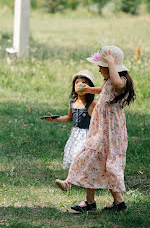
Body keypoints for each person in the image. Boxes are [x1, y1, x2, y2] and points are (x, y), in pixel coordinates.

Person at [63, 46, 135, 213]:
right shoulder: (109, 81)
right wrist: (89, 90)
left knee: (97, 160)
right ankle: (109, 202)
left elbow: (116, 84)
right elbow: (104, 90)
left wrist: (110, 62)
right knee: (97, 161)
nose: (99, 69)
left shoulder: (120, 81)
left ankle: (102, 202)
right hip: (101, 129)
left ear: (112, 68)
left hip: (110, 132)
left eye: (101, 66)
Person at [43, 70, 97, 191]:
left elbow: (98, 120)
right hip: (75, 135)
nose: (80, 85)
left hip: (87, 134)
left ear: (90, 87)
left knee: (80, 158)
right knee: (74, 157)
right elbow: (69, 118)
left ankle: (70, 182)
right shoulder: (72, 102)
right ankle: (75, 182)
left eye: (83, 83)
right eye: (77, 82)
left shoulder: (93, 103)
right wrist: (56, 118)